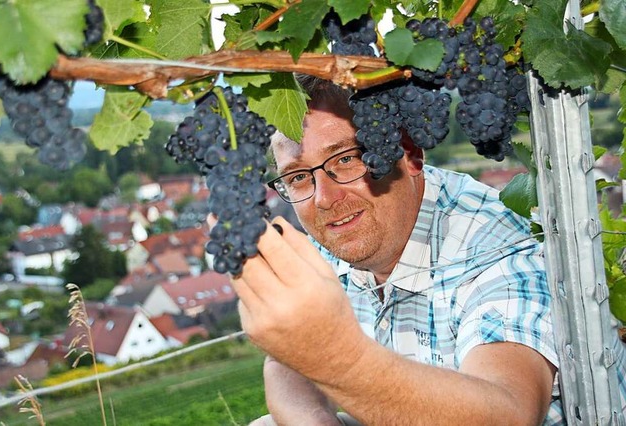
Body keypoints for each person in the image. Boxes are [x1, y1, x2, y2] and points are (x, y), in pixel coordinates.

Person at [230, 76, 624, 425]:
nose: (326, 198)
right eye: (299, 177)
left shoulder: (493, 247)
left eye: (347, 159)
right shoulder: (345, 231)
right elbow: (288, 359)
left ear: (410, 153)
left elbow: (509, 414)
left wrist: (340, 359)